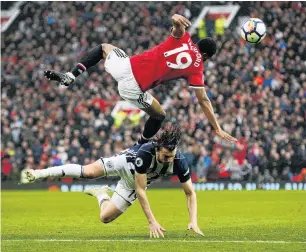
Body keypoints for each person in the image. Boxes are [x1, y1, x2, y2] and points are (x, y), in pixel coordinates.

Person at [44, 14, 237, 144]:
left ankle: (71, 75)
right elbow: (203, 100)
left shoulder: (184, 39)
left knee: (104, 48)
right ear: (206, 56)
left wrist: (176, 20)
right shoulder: (197, 68)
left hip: (126, 66)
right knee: (159, 115)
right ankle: (141, 146)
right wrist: (217, 128)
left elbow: (178, 28)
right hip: (134, 87)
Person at [21, 125, 204, 238]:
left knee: (105, 218)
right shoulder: (145, 154)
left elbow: (190, 193)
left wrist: (193, 221)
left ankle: (101, 194)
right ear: (157, 149)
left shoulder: (179, 162)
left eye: (171, 155)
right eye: (165, 155)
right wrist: (151, 221)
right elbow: (141, 191)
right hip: (125, 164)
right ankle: (38, 173)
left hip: (133, 183)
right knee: (89, 172)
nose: (169, 159)